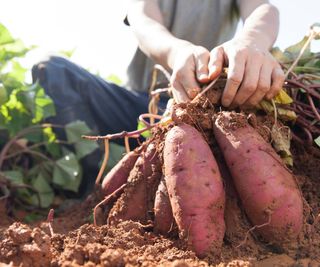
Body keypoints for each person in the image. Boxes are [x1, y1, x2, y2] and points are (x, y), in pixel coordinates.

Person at [32, 0, 284, 192]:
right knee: (52, 69)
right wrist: (179, 53)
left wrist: (252, 42)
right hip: (143, 106)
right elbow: (143, 21)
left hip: (202, 109)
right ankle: (94, 185)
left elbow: (263, 9)